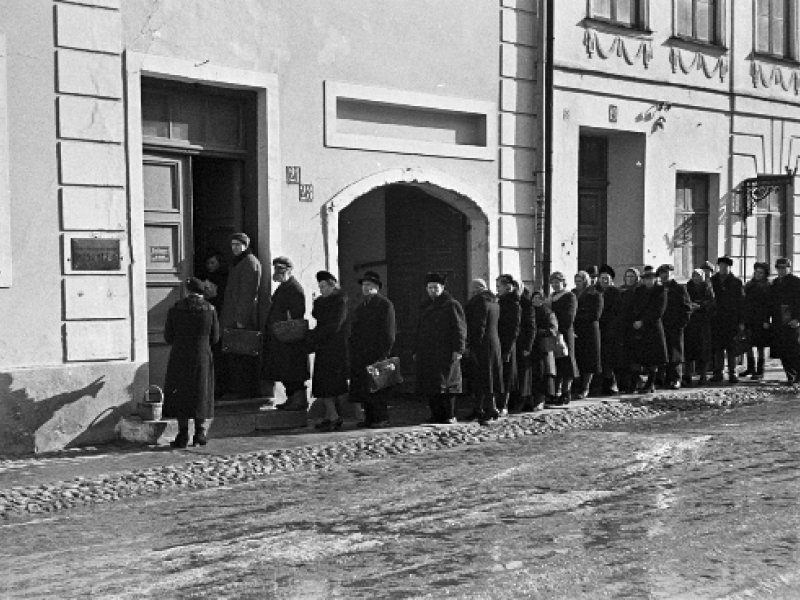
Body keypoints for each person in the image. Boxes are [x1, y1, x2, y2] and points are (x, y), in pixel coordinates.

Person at [162, 277, 220, 448]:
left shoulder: (176, 308)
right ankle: (200, 433)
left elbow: (168, 337)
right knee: (201, 392)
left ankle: (182, 434)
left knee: (181, 393)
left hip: (180, 355)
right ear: (202, 292)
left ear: (187, 291)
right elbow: (215, 338)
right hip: (202, 355)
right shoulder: (210, 309)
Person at [415, 272, 467, 424]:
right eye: (429, 287)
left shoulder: (451, 305)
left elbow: (460, 329)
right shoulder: (425, 306)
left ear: (442, 288)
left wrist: (459, 349)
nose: (432, 290)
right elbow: (419, 329)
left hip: (446, 351)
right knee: (431, 385)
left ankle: (450, 415)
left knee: (448, 385)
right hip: (428, 352)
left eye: (435, 287)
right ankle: (436, 414)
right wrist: (416, 350)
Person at [348, 271, 397, 428]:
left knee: (378, 388)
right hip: (362, 353)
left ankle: (381, 418)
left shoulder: (385, 305)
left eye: (369, 285)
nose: (365, 288)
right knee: (365, 389)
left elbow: (389, 333)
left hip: (377, 353)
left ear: (377, 287)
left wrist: (383, 354)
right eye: (364, 285)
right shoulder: (362, 306)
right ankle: (369, 417)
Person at [262, 256, 310, 410]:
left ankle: (299, 400)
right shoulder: (284, 287)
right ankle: (291, 398)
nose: (277, 273)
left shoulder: (294, 288)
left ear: (289, 270)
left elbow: (297, 313)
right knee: (284, 370)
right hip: (280, 336)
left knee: (292, 371)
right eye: (276, 269)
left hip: (290, 338)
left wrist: (284, 324)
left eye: (281, 270)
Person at [220, 233, 262, 399]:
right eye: (233, 244)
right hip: (232, 317)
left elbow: (248, 294)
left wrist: (241, 320)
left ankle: (242, 391)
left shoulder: (250, 263)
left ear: (246, 245)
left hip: (239, 320)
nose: (235, 248)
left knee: (241, 356)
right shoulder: (240, 262)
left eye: (238, 244)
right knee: (234, 355)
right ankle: (237, 389)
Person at [306, 271, 349, 431]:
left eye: (324, 286)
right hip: (323, 348)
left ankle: (334, 417)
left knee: (329, 385)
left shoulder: (340, 303)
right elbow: (319, 318)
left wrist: (318, 336)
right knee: (322, 385)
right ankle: (329, 416)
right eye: (320, 287)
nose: (322, 290)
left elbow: (334, 326)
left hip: (334, 348)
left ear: (332, 285)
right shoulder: (322, 302)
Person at [463, 278, 503, 422]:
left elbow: (478, 325)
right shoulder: (494, 302)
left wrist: (471, 345)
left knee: (483, 377)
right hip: (493, 343)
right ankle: (480, 407)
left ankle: (489, 408)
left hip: (482, 345)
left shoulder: (479, 302)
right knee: (487, 376)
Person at [628, 269, 667, 394]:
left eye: (651, 279)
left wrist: (643, 321)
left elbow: (658, 311)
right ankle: (634, 383)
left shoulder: (661, 291)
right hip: (639, 328)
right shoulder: (639, 291)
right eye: (646, 279)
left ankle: (650, 383)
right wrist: (635, 320)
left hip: (653, 327)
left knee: (653, 358)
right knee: (637, 357)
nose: (648, 281)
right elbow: (634, 306)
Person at [710, 256, 745, 383]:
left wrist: (741, 321)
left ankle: (732, 372)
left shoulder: (736, 282)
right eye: (722, 266)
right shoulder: (713, 280)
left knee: (731, 347)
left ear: (730, 267)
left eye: (726, 266)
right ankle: (718, 372)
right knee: (718, 347)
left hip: (732, 320)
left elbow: (741, 303)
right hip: (717, 319)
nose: (724, 268)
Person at [657, 264, 692, 389]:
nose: (664, 275)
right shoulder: (658, 289)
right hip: (661, 326)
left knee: (675, 353)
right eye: (662, 273)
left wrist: (681, 324)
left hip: (675, 326)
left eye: (667, 273)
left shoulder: (679, 289)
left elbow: (687, 308)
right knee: (663, 352)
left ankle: (676, 378)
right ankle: (663, 379)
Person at [198, 249, 228, 398]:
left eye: (212, 262)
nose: (209, 265)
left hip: (218, 318)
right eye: (208, 263)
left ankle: (218, 389)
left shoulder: (223, 279)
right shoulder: (207, 277)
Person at [546, 271, 578, 406]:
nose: (554, 285)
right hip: (554, 332)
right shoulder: (551, 297)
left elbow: (569, 316)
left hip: (565, 331)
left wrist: (559, 327)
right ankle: (557, 392)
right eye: (552, 282)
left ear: (563, 282)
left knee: (567, 362)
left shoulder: (569, 296)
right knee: (557, 363)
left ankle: (566, 392)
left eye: (557, 282)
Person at [769, 257, 800, 385]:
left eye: (783, 268)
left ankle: (797, 374)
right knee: (782, 349)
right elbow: (771, 303)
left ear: (789, 268)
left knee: (794, 349)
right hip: (778, 321)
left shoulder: (796, 282)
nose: (781, 271)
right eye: (779, 268)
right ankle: (790, 375)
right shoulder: (775, 283)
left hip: (792, 320)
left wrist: (798, 319)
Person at [573, 270, 603, 399]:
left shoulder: (595, 294)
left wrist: (578, 315)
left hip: (589, 330)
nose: (577, 284)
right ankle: (577, 386)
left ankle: (586, 387)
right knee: (578, 358)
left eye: (580, 281)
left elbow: (595, 314)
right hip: (576, 329)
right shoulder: (573, 293)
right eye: (576, 281)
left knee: (589, 359)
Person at [683, 268, 715, 387]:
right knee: (689, 349)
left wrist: (701, 305)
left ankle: (703, 374)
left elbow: (711, 302)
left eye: (698, 275)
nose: (696, 277)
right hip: (690, 322)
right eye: (694, 275)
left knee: (703, 350)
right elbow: (684, 300)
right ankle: (687, 374)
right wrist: (690, 306)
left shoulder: (707, 287)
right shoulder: (687, 287)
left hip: (703, 322)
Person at [741, 262, 772, 380]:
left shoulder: (768, 287)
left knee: (760, 346)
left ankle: (760, 371)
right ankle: (750, 368)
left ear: (765, 274)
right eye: (756, 272)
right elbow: (744, 302)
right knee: (748, 344)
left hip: (761, 319)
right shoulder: (749, 285)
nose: (758, 274)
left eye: (761, 273)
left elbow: (769, 305)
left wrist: (767, 320)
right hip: (750, 318)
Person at [496, 274, 521, 416]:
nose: (497, 289)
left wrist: (508, 349)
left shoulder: (513, 303)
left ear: (508, 287)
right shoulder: (499, 301)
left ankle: (504, 405)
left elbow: (514, 329)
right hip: (498, 341)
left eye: (499, 286)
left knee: (507, 375)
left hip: (507, 344)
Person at [509, 281, 536, 412]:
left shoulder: (527, 304)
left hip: (523, 343)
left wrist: (528, 347)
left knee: (524, 373)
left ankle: (524, 400)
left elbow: (531, 327)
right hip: (513, 343)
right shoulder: (509, 302)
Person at [596, 265, 622, 395]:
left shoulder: (615, 292)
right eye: (602, 278)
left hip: (612, 329)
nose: (604, 281)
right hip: (598, 329)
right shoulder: (596, 292)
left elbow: (617, 311)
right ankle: (603, 384)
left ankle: (612, 383)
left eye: (607, 278)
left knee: (611, 358)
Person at [531, 290, 558, 409]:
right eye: (534, 298)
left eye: (538, 298)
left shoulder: (547, 312)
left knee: (544, 373)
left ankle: (543, 398)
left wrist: (538, 332)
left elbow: (553, 329)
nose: (535, 300)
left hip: (543, 346)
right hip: (533, 346)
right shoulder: (530, 310)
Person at [615, 268, 640, 393]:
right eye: (627, 276)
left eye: (632, 276)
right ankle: (623, 384)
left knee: (635, 358)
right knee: (623, 357)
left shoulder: (639, 291)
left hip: (635, 327)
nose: (629, 279)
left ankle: (634, 384)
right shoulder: (621, 291)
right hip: (622, 327)